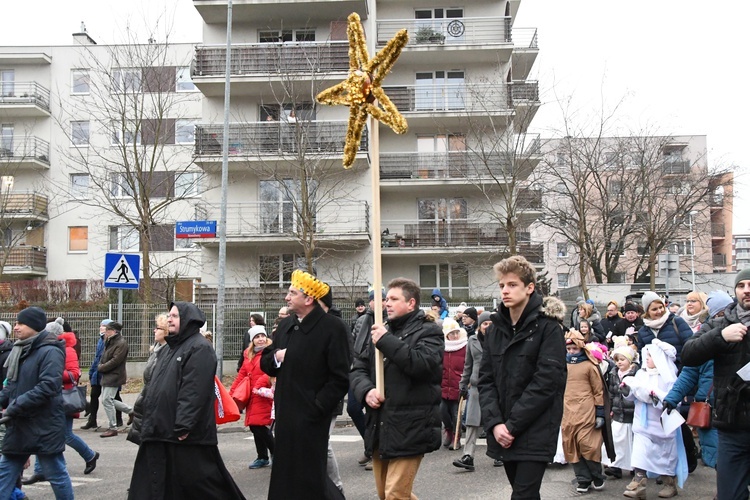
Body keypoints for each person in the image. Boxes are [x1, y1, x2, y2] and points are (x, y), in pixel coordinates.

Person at [128, 302, 245, 499]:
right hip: (160, 431)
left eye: (175, 315)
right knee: (155, 487)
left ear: (188, 319)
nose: (169, 319)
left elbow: (194, 390)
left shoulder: (199, 348)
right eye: (169, 315)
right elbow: (155, 387)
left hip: (184, 436)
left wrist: (184, 424)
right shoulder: (168, 348)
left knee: (204, 486)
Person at [478, 255, 567, 500]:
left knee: (523, 495)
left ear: (529, 288)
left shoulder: (548, 328)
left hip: (535, 427)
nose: (505, 291)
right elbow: (485, 380)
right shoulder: (495, 329)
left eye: (512, 285)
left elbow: (547, 382)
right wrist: (495, 424)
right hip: (503, 429)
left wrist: (511, 425)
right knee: (524, 493)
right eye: (502, 285)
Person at [350, 277, 443, 500]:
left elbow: (422, 365)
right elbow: (358, 368)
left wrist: (386, 341)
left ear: (411, 303)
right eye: (385, 299)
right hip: (380, 425)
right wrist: (366, 391)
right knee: (386, 494)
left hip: (411, 427)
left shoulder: (429, 331)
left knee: (395, 494)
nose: (387, 303)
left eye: (393, 299)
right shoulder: (379, 331)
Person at [260, 270, 350, 500]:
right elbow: (266, 361)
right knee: (285, 474)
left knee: (310, 476)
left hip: (311, 418)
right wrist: (277, 357)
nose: (286, 297)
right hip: (285, 414)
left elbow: (339, 378)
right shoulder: (286, 325)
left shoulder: (332, 328)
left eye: (292, 292)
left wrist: (317, 406)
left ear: (309, 299)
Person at [681, 271, 750, 500]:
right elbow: (688, 355)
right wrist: (721, 336)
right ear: (735, 291)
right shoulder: (721, 323)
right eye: (741, 285)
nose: (746, 290)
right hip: (732, 427)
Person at [0, 307, 74, 500]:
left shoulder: (50, 351)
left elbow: (48, 386)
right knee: (4, 474)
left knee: (56, 474)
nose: (15, 328)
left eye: (20, 324)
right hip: (20, 425)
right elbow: (12, 385)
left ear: (33, 325)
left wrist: (14, 406)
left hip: (44, 425)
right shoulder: (20, 350)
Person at [23, 318, 99, 485]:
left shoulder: (67, 350)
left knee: (65, 435)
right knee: (45, 434)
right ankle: (40, 471)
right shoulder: (48, 349)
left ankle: (90, 455)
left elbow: (74, 374)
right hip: (53, 398)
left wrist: (51, 374)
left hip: (65, 398)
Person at [621, 339, 686, 499]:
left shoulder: (669, 377)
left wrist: (655, 394)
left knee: (665, 457)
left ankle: (669, 483)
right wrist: (627, 390)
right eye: (647, 356)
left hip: (663, 426)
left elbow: (674, 400)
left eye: (651, 356)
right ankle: (638, 485)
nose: (647, 359)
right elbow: (633, 396)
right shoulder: (641, 373)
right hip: (642, 424)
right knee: (640, 453)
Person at [561, 330, 612, 494]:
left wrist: (599, 412)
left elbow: (598, 391)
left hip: (587, 410)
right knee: (571, 445)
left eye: (574, 349)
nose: (571, 352)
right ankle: (583, 479)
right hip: (568, 411)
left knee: (588, 445)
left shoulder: (590, 366)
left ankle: (596, 476)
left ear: (581, 348)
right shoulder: (563, 366)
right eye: (568, 350)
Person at [349, 287, 386, 470]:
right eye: (373, 299)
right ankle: (369, 444)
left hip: (377, 373)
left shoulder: (389, 320)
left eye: (382, 299)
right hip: (362, 369)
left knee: (376, 413)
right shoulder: (362, 320)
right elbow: (356, 343)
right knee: (353, 408)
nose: (376, 303)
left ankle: (373, 450)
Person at [231, 325, 274, 469]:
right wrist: (231, 393)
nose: (261, 339)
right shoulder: (248, 354)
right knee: (254, 426)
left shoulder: (270, 352)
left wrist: (261, 385)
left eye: (263, 336)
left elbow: (271, 372)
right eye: (257, 337)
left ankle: (275, 454)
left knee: (259, 425)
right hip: (251, 394)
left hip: (263, 393)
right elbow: (242, 375)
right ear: (252, 340)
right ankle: (262, 456)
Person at [454, 310, 492, 471]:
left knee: (494, 420)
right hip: (476, 386)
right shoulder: (472, 340)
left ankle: (498, 454)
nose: (487, 326)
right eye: (485, 323)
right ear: (479, 325)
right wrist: (463, 384)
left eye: (490, 324)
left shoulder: (500, 340)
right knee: (471, 421)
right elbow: (467, 365)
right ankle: (468, 455)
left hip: (493, 387)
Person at [127, 314, 169, 446]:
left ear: (167, 331)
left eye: (158, 328)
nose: (154, 330)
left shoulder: (167, 354)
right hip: (147, 405)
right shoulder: (156, 352)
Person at [604, 337, 638, 479]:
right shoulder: (613, 374)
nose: (619, 363)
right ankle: (615, 466)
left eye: (622, 360)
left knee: (632, 442)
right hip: (618, 411)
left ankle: (634, 466)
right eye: (617, 360)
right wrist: (611, 407)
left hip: (632, 413)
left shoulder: (635, 374)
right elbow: (611, 393)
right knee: (617, 440)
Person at [81, 318, 123, 430]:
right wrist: (92, 371)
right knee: (94, 395)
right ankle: (92, 420)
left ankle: (119, 419)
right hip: (98, 373)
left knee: (114, 397)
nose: (101, 328)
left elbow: (114, 359)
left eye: (104, 326)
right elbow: (97, 358)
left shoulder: (115, 342)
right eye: (101, 326)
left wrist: (102, 368)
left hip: (109, 374)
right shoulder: (101, 340)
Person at [637, 291, 693, 368]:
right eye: (654, 309)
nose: (659, 311)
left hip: (681, 372)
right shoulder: (642, 332)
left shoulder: (676, 322)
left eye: (661, 307)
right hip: (656, 376)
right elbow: (642, 358)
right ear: (647, 312)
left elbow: (691, 347)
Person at [97, 321, 134, 438]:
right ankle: (131, 411)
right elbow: (104, 356)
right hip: (109, 374)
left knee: (107, 400)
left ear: (114, 331)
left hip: (114, 375)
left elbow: (115, 360)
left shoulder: (121, 343)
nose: (106, 332)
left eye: (108, 330)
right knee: (108, 400)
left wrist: (101, 367)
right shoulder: (110, 341)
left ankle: (113, 427)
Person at [440, 319, 467, 450]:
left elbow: (468, 365)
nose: (455, 336)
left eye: (457, 332)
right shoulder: (442, 348)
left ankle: (457, 437)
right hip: (444, 386)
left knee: (456, 414)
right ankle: (449, 432)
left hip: (458, 386)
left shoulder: (464, 347)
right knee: (443, 412)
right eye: (452, 333)